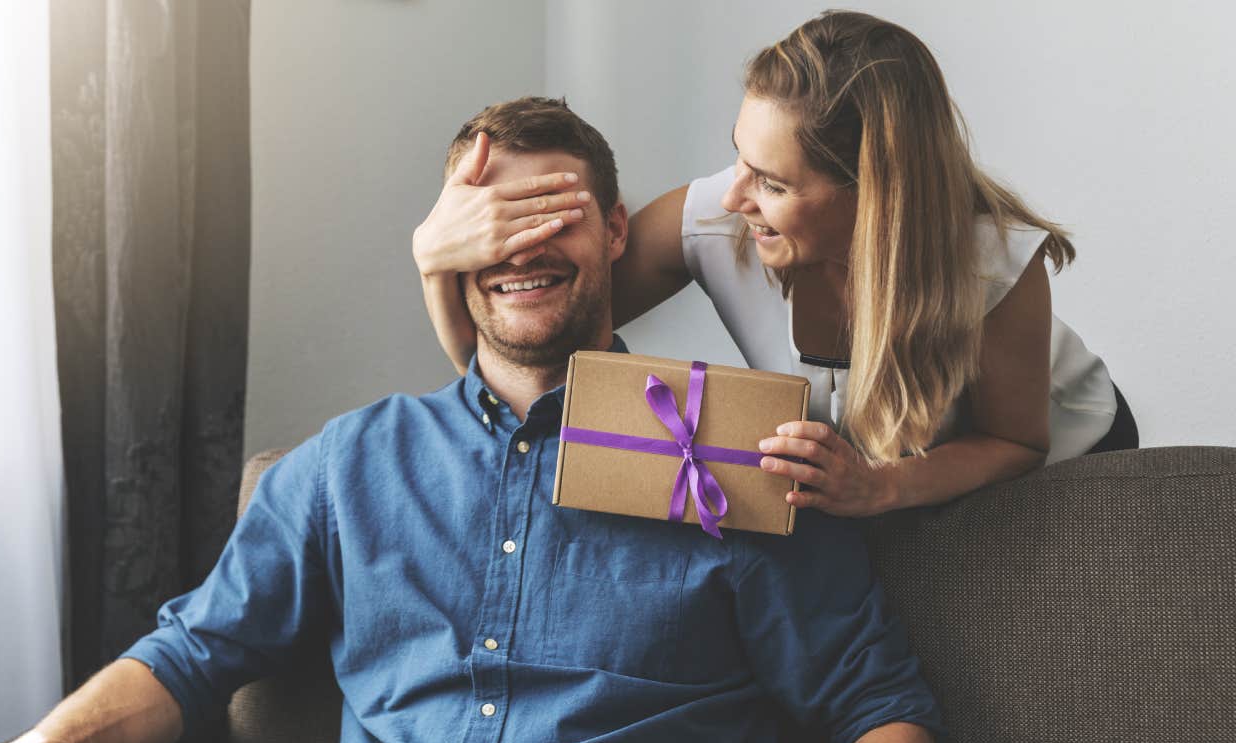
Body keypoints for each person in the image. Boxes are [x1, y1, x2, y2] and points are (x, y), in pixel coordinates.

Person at [0, 97, 941, 743]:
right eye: (487, 221)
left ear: (614, 230)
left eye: (552, 213)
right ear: (447, 247)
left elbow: (880, 707)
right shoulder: (344, 469)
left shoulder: (740, 454)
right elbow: (190, 655)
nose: (519, 246)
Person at [414, 11, 1139, 521]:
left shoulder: (994, 267)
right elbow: (522, 364)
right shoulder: (713, 218)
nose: (734, 194)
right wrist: (433, 261)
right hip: (867, 475)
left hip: (1054, 461)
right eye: (739, 154)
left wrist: (882, 489)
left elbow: (1016, 441)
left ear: (874, 200)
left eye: (774, 183)